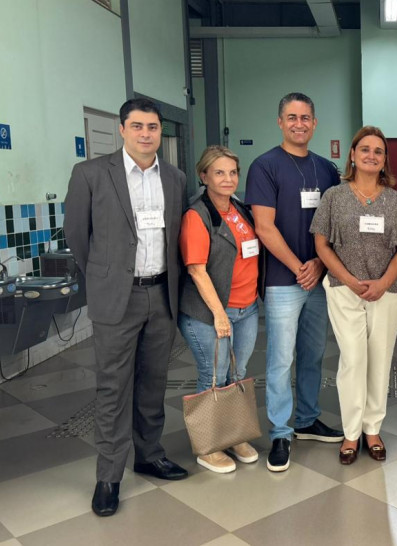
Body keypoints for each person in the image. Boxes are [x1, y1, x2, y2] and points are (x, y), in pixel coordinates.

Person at [65, 98, 188, 517]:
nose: (145, 134)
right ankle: (108, 476)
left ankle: (149, 455)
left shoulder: (174, 178)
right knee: (113, 388)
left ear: (160, 132)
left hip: (161, 294)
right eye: (137, 126)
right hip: (117, 297)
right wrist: (107, 276)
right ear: (122, 130)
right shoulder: (91, 174)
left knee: (153, 383)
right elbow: (77, 236)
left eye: (152, 127)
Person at [245, 92, 343, 473]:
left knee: (313, 354)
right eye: (291, 117)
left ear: (315, 123)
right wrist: (300, 266)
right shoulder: (265, 166)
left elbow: (335, 225)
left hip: (318, 280)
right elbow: (264, 227)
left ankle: (306, 419)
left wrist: (318, 264)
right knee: (280, 359)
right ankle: (281, 432)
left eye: (305, 118)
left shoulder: (327, 170)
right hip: (283, 282)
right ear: (280, 122)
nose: (298, 124)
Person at [311, 126, 397, 465]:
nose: (371, 155)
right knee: (353, 359)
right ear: (353, 155)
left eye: (378, 151)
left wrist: (383, 282)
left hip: (387, 291)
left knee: (380, 360)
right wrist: (350, 280)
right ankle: (351, 432)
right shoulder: (334, 197)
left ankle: (372, 429)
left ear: (385, 160)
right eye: (365, 149)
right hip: (344, 290)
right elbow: (321, 245)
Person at [178, 145, 263, 474]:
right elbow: (197, 270)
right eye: (218, 172)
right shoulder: (197, 215)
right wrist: (219, 314)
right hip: (210, 312)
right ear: (204, 176)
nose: (227, 179)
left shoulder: (239, 208)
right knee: (213, 376)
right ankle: (209, 446)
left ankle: (234, 435)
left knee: (237, 376)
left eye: (232, 172)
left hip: (247, 308)